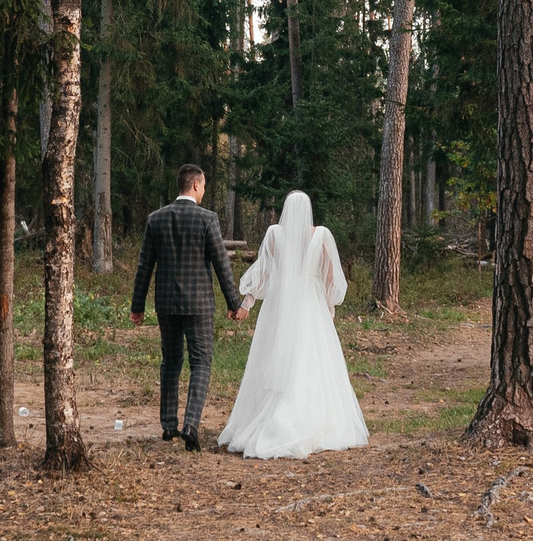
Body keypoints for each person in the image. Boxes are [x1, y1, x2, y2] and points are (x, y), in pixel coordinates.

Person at [218, 190, 369, 459]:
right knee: (312, 358)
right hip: (311, 304)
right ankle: (313, 419)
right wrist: (329, 307)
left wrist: (247, 304)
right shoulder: (321, 235)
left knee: (279, 353)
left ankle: (273, 415)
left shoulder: (275, 234)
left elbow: (264, 272)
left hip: (282, 302)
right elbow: (330, 278)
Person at [130, 163, 244, 450]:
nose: (204, 191)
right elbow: (222, 263)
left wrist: (137, 305)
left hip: (166, 304)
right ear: (195, 185)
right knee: (201, 363)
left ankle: (169, 426)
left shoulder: (156, 219)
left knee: (170, 362)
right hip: (199, 304)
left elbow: (145, 265)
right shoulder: (207, 219)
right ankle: (190, 425)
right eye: (203, 185)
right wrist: (234, 302)